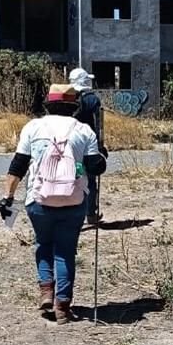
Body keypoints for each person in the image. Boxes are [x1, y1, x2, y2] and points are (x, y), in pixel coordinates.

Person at [1, 84, 107, 323]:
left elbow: (17, 165)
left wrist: (8, 197)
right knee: (65, 252)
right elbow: (94, 167)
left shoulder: (33, 127)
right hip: (73, 200)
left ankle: (46, 292)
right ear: (74, 107)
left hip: (39, 200)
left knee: (43, 244)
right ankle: (62, 307)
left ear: (48, 105)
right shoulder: (84, 130)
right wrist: (101, 158)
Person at [69, 67, 107, 226]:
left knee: (76, 176)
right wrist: (100, 146)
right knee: (90, 180)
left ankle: (73, 212)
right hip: (89, 146)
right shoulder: (92, 99)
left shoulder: (69, 97)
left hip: (72, 145)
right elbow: (99, 125)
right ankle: (90, 213)